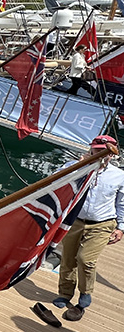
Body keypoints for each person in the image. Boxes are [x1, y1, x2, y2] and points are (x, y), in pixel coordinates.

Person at [52, 134, 124, 321]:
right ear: (90, 149)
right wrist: (80, 168)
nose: (100, 155)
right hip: (75, 220)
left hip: (102, 223)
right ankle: (65, 293)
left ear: (112, 155)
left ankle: (85, 292)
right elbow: (54, 182)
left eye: (105, 152)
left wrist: (121, 227)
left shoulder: (119, 176)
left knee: (85, 259)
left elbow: (121, 203)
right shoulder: (74, 167)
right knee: (68, 258)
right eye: (96, 151)